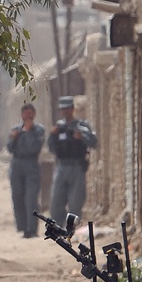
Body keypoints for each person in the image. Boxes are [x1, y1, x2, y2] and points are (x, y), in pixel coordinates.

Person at [47, 95, 97, 225]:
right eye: (63, 109)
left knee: (75, 202)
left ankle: (72, 229)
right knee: (56, 200)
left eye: (68, 108)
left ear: (72, 109)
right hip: (62, 166)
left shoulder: (81, 125)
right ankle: (57, 228)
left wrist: (81, 137)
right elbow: (51, 147)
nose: (65, 111)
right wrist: (53, 135)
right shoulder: (59, 127)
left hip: (77, 167)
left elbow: (94, 142)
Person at [7, 103, 46, 238]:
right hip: (17, 164)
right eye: (25, 114)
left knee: (31, 198)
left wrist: (28, 132)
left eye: (30, 113)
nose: (28, 116)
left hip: (31, 164)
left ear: (34, 114)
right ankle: (22, 227)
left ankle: (32, 229)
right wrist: (14, 137)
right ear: (22, 115)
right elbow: (10, 148)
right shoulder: (15, 130)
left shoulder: (38, 130)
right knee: (17, 196)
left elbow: (34, 147)